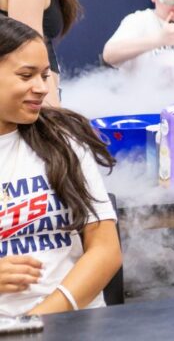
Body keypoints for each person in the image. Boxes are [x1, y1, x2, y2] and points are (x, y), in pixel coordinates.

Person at [0, 17, 122, 316]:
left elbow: (106, 250)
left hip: (72, 323)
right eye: (26, 75)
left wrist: (39, 318)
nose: (42, 88)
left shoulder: (62, 140)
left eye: (44, 75)